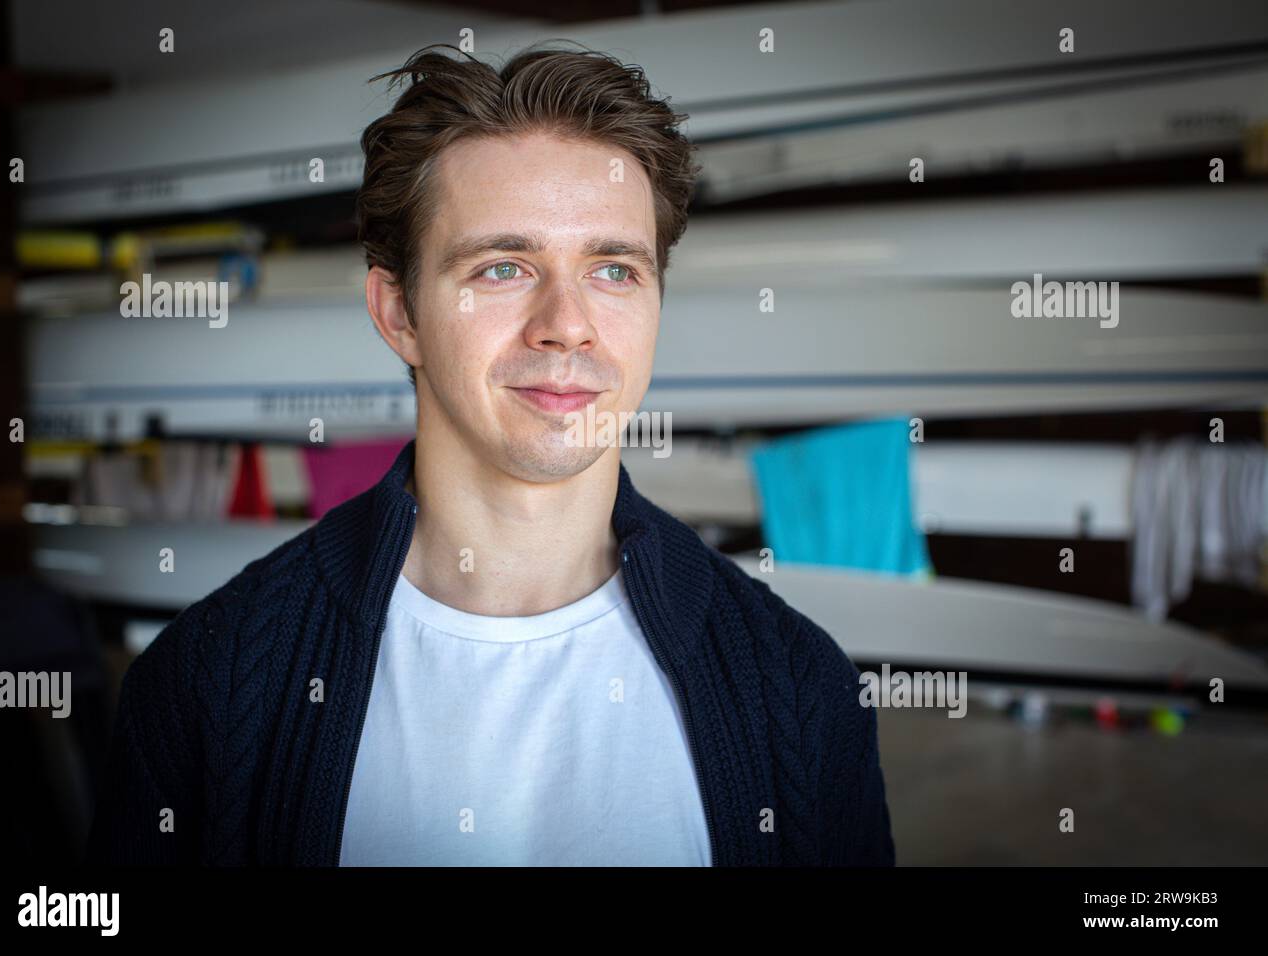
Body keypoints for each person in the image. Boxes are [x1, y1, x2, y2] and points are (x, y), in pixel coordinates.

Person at [84, 42, 894, 867]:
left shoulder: (800, 690)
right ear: (398, 311)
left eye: (613, 270)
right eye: (504, 267)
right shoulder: (204, 687)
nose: (566, 324)